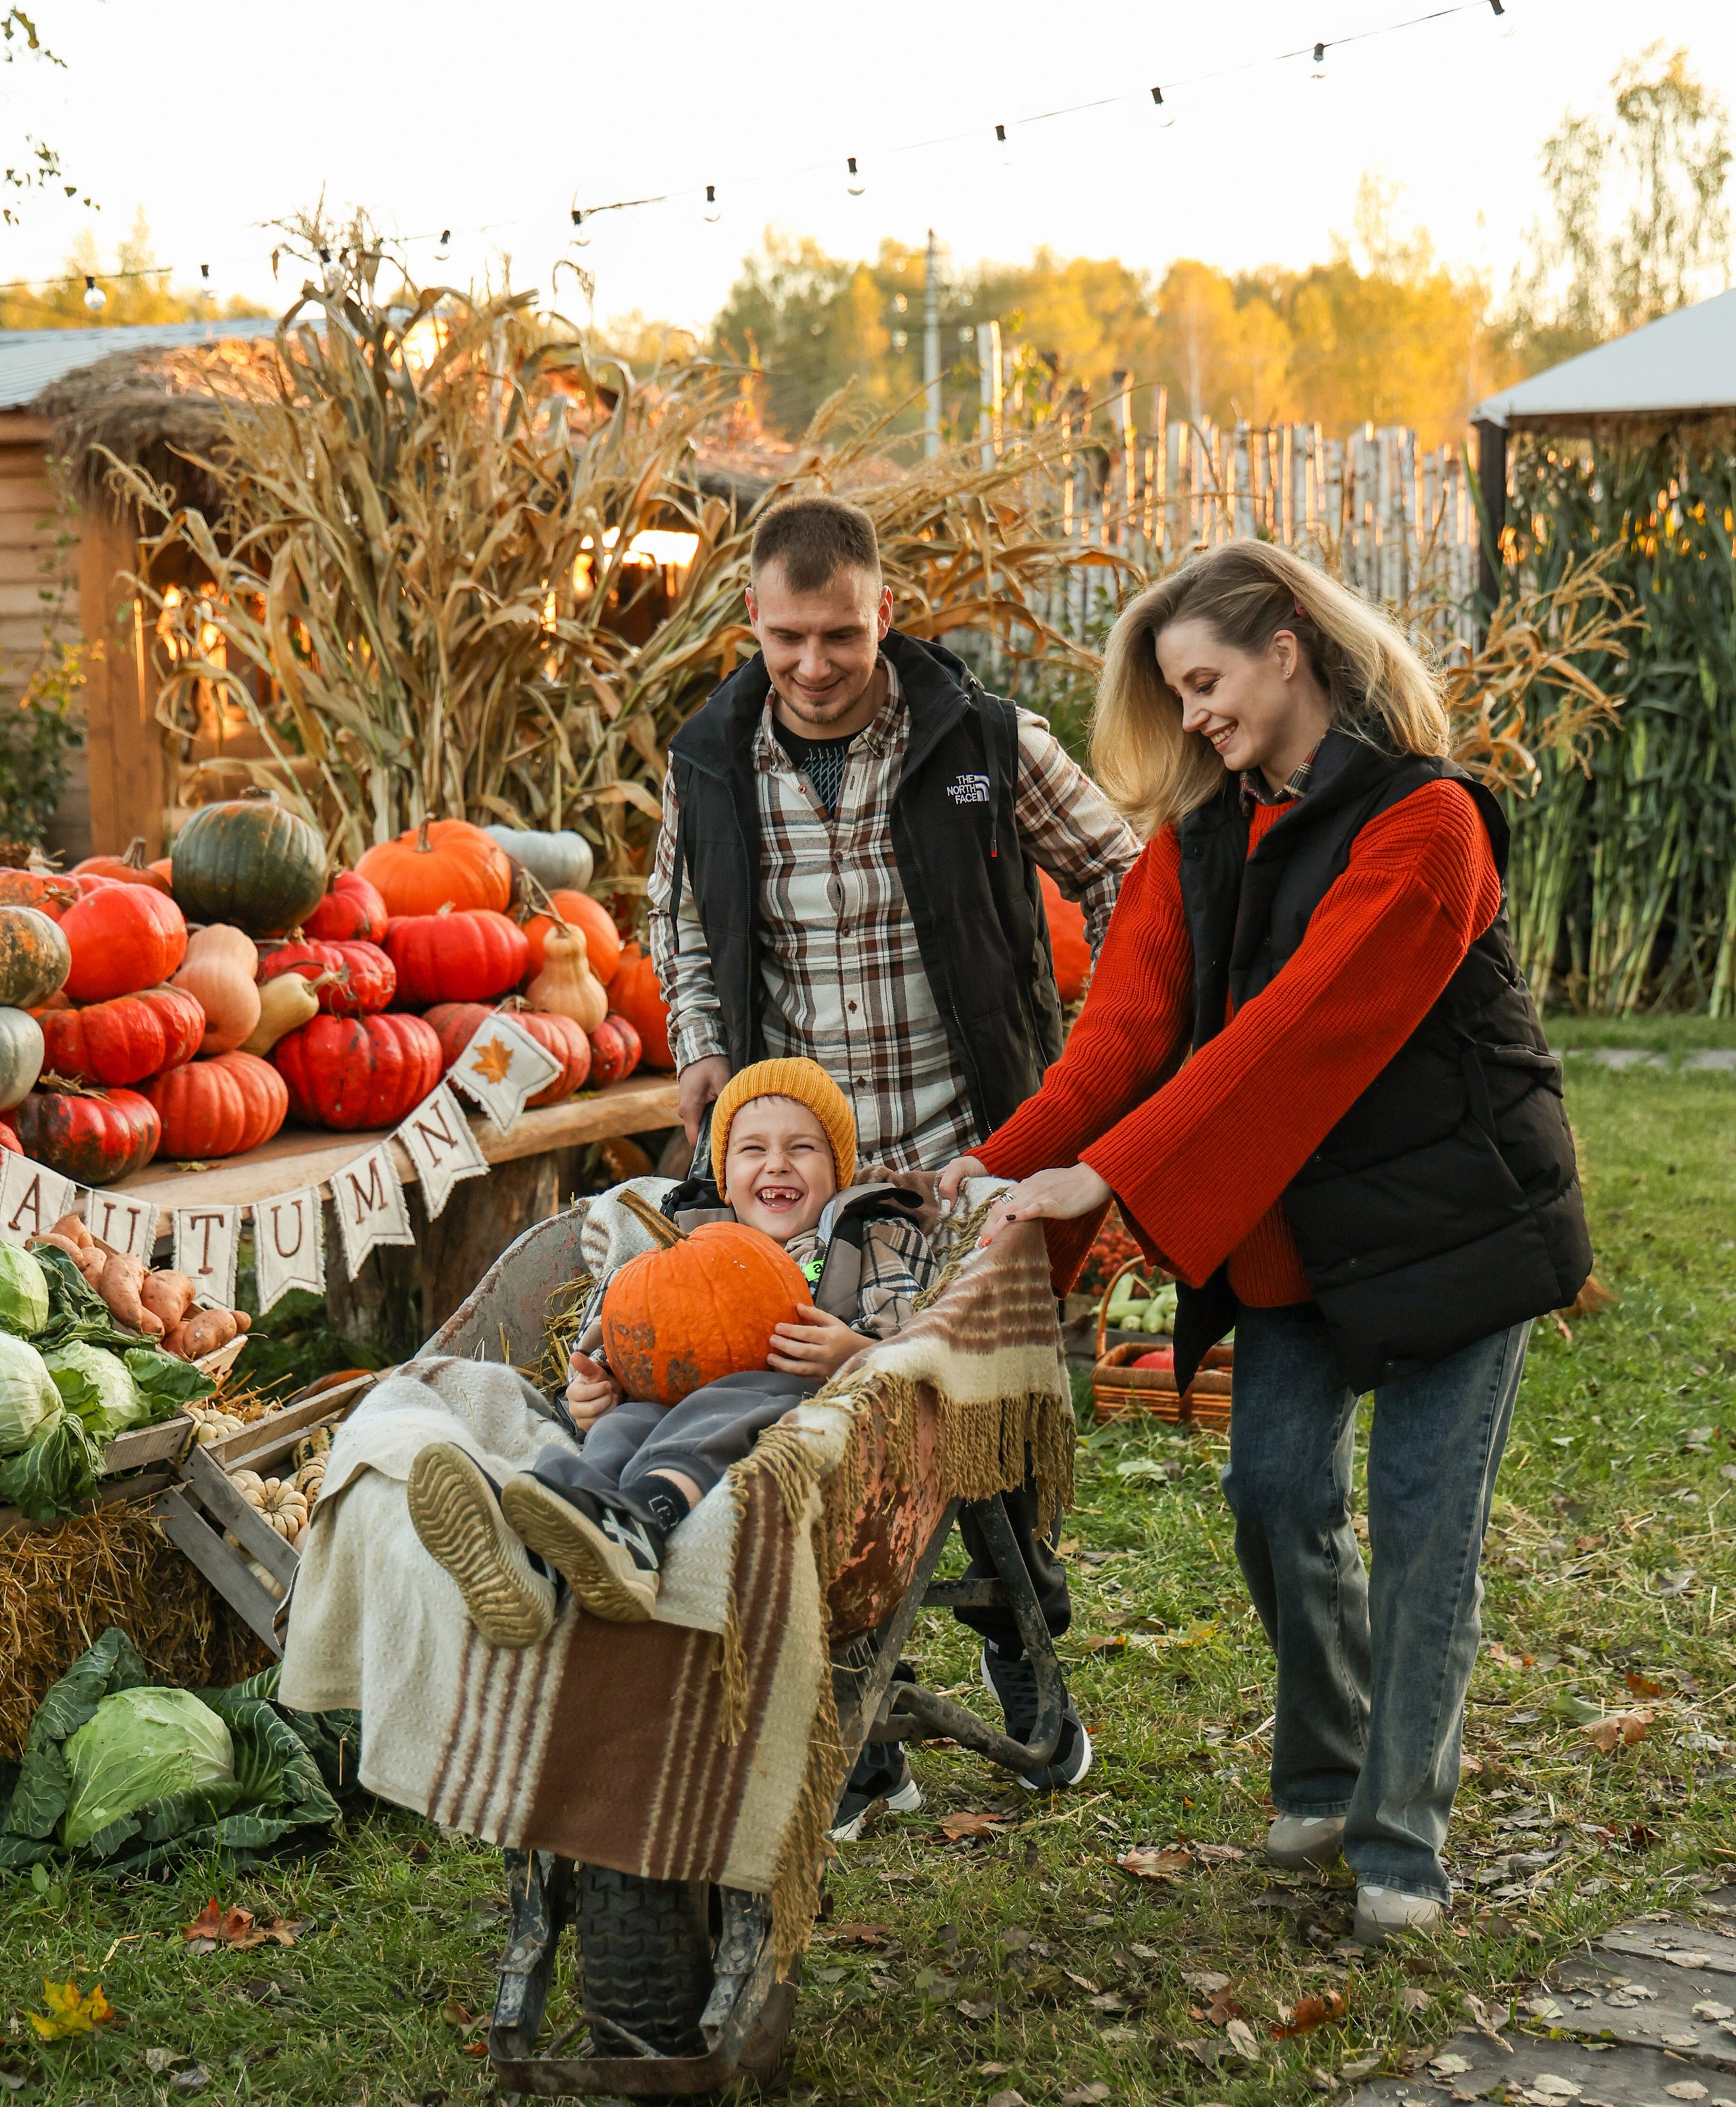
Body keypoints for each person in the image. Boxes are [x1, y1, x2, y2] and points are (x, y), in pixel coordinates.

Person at [938, 540, 1591, 1946]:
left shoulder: (1426, 830)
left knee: (1425, 1532)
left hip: (1459, 1222)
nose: (1192, 720)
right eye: (1173, 696)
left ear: (1285, 643)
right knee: (1274, 1493)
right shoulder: (1199, 837)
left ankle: (1396, 1841)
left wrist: (1103, 1178)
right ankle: (1325, 1763)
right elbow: (1120, 1033)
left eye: (1205, 682)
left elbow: (1298, 1034)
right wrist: (992, 1176)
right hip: (1301, 1228)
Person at [648, 493, 1141, 1799]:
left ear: (884, 617)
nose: (815, 667)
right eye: (791, 638)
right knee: (833, 1433)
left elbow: (1127, 875)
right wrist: (702, 1041)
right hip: (805, 1182)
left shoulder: (980, 739)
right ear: (750, 618)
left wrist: (1110, 1047)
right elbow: (683, 936)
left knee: (980, 1429)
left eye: (845, 638)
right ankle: (863, 1734)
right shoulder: (707, 764)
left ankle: (1023, 1641)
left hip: (973, 1151)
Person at [405, 1057, 944, 1836]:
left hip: (808, 1419)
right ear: (723, 1173)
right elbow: (614, 1341)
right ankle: (560, 1529)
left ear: (840, 1167)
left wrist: (850, 1353)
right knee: (626, 1422)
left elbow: (914, 1336)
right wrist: (589, 1389)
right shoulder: (684, 1237)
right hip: (667, 1408)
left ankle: (641, 1515)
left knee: (732, 1395)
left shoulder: (870, 1232)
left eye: (803, 1149)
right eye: (753, 1150)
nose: (778, 1166)